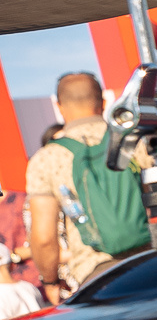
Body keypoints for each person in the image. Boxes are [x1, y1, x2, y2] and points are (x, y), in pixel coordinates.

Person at [26, 71, 149, 297]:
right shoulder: (135, 139)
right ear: (103, 103)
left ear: (59, 107)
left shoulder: (46, 159)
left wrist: (51, 281)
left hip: (97, 274)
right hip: (153, 261)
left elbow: (44, 238)